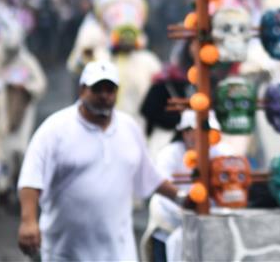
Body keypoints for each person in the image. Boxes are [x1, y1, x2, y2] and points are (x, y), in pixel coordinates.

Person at [17, 61, 185, 261]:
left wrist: (183, 199)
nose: (104, 95)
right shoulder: (55, 129)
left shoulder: (128, 128)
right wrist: (28, 221)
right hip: (66, 251)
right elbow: (31, 177)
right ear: (82, 90)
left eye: (110, 89)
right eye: (97, 89)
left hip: (118, 251)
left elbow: (149, 176)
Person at [142, 110, 227, 262]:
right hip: (169, 225)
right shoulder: (168, 154)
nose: (203, 136)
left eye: (209, 131)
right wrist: (189, 210)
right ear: (185, 133)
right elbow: (163, 191)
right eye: (197, 131)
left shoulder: (221, 153)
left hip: (208, 228)